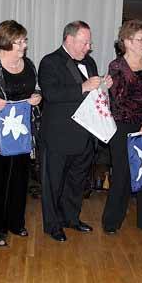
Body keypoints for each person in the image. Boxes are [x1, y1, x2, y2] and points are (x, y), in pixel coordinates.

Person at [38, 21, 113, 242]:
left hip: (84, 135)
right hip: (58, 136)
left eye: (89, 42)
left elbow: (92, 95)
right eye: (84, 42)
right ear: (69, 40)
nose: (88, 47)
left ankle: (71, 218)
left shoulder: (89, 62)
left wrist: (102, 86)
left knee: (76, 182)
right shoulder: (50, 61)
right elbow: (51, 94)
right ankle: (52, 225)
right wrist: (84, 87)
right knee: (53, 184)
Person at [0, 20, 42, 247]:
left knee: (20, 180)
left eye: (24, 40)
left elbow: (36, 89)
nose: (24, 45)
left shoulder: (29, 64)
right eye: (19, 41)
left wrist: (37, 98)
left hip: (22, 133)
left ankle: (15, 222)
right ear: (6, 42)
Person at [102, 19, 142, 236]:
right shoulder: (116, 66)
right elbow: (120, 101)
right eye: (139, 39)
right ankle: (112, 221)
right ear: (127, 41)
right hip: (124, 125)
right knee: (122, 174)